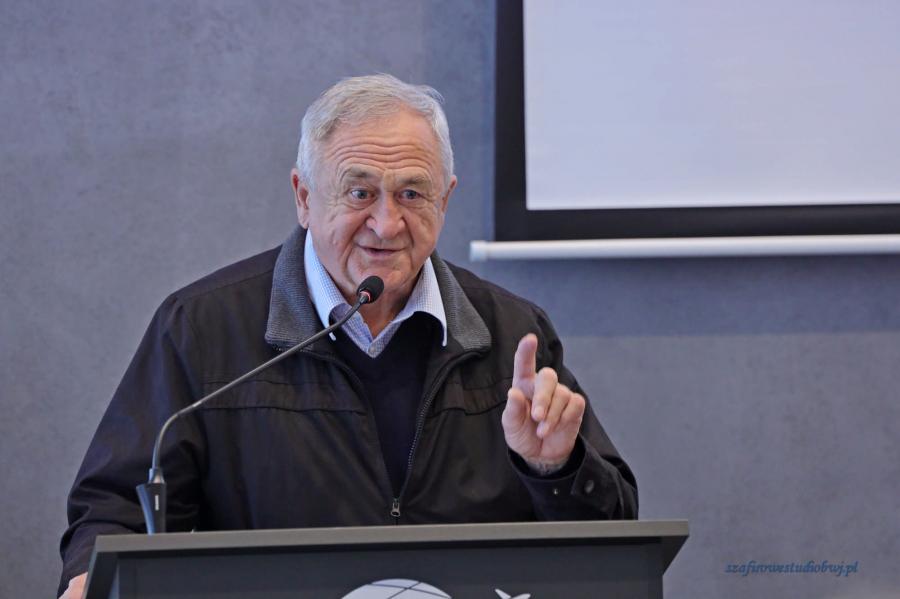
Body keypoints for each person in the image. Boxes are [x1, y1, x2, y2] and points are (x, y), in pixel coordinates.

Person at [58, 74, 638, 598]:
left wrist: (555, 470)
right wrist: (92, 579)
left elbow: (613, 544)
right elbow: (117, 508)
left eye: (412, 194)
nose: (386, 224)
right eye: (359, 193)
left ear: (445, 200)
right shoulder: (203, 329)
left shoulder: (512, 333)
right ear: (304, 197)